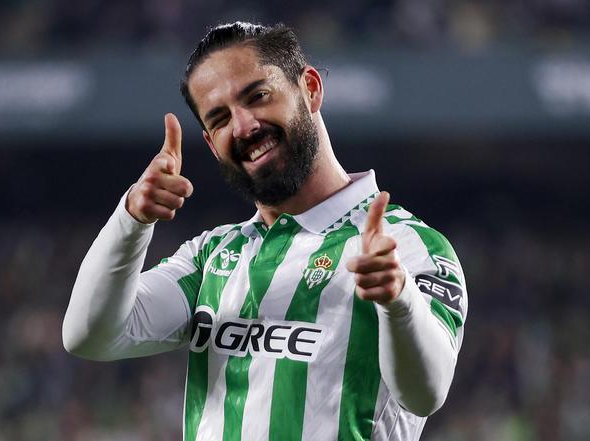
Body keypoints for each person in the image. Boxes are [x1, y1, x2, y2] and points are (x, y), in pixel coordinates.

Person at [63, 22, 468, 441]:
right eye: (220, 119)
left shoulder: (409, 246)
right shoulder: (213, 256)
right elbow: (88, 336)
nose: (243, 126)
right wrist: (131, 219)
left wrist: (397, 298)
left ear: (310, 89)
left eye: (257, 96)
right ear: (211, 144)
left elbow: (426, 393)